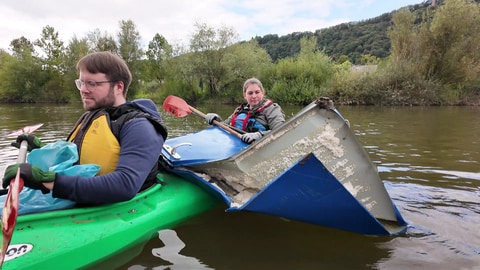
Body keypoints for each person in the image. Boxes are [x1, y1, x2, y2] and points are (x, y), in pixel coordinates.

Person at [2, 51, 168, 205]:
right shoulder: (93, 116)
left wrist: (44, 180)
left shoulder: (140, 126)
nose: (83, 90)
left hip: (114, 206)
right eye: (81, 82)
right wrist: (39, 148)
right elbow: (77, 159)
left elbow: (125, 185)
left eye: (92, 83)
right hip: (78, 196)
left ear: (119, 87)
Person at [205, 77, 285, 144]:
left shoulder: (272, 109)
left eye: (257, 92)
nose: (254, 96)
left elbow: (281, 131)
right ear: (245, 95)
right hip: (237, 147)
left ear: (262, 93)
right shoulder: (240, 110)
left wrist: (259, 135)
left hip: (258, 147)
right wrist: (216, 120)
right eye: (250, 93)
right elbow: (225, 126)